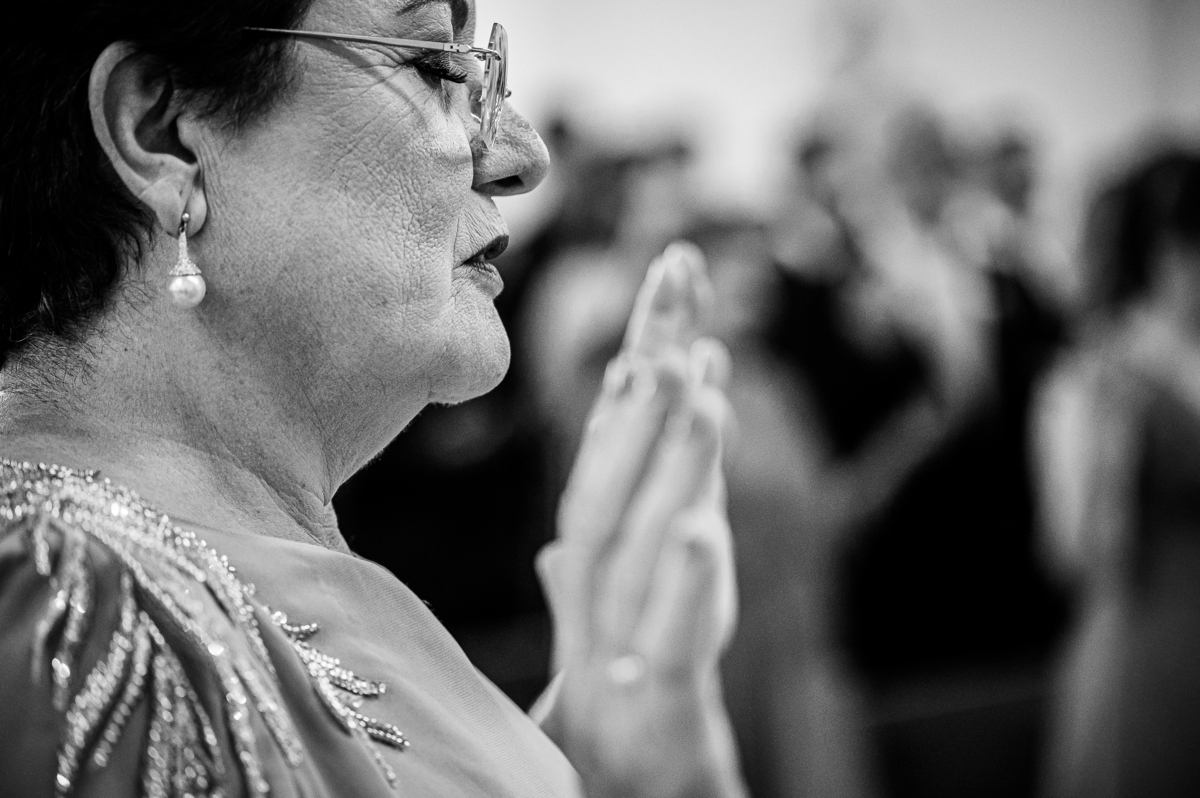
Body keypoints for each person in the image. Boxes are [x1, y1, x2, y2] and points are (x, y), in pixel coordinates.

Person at [0, 2, 745, 797]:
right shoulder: (76, 607)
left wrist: (612, 761)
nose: (521, 156)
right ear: (165, 132)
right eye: (437, 67)